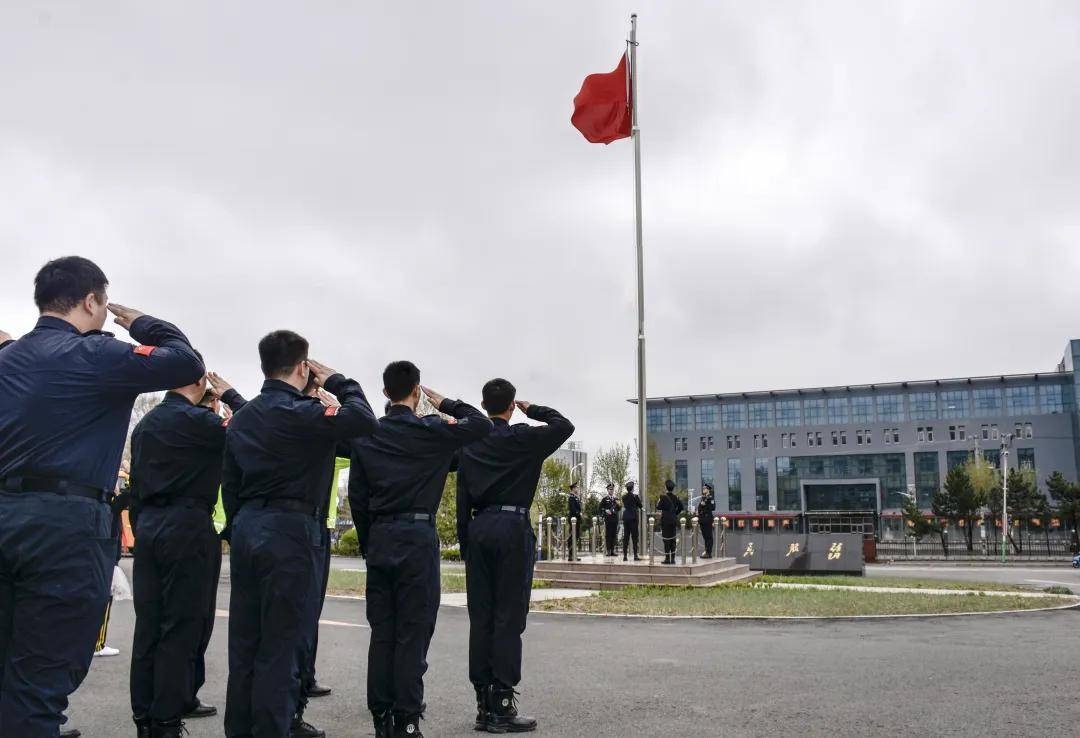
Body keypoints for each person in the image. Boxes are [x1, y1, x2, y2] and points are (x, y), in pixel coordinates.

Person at [0, 256, 204, 737]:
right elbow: (186, 363)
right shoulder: (96, 355)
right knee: (44, 671)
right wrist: (144, 324)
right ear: (92, 301)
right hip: (63, 530)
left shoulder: (8, 360)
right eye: (103, 302)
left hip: (6, 515)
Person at [222, 331, 379, 738]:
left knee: (245, 641)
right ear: (304, 367)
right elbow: (363, 419)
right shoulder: (304, 413)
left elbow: (231, 482)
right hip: (291, 532)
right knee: (283, 643)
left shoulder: (244, 417)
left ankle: (240, 729)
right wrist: (338, 382)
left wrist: (241, 524)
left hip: (249, 526)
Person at [348, 362, 491, 738]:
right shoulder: (432, 432)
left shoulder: (368, 435)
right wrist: (443, 402)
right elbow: (480, 424)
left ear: (384, 394)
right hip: (417, 538)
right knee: (413, 634)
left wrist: (368, 542)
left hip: (380, 537)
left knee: (382, 634)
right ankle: (407, 720)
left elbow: (358, 498)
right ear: (417, 391)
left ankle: (381, 719)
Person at [128, 367, 246, 737]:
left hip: (148, 524)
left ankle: (145, 717)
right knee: (181, 626)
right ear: (199, 383)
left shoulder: (145, 426)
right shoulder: (203, 424)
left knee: (148, 626)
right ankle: (167, 718)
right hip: (188, 524)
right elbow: (257, 426)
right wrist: (227, 396)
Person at [456, 378, 573, 733]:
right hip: (512, 527)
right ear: (510, 405)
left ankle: (482, 702)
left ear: (482, 403)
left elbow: (462, 494)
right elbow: (563, 425)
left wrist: (465, 542)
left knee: (482, 617)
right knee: (509, 617)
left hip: (479, 528)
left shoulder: (470, 441)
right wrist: (531, 408)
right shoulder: (524, 438)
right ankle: (502, 705)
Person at [186, 373, 247, 722]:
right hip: (202, 526)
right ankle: (184, 696)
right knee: (195, 619)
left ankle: (154, 713)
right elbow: (257, 424)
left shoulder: (150, 424)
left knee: (159, 624)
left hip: (161, 525)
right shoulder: (213, 429)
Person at [656, 479, 684, 564]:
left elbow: (658, 507)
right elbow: (681, 507)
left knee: (666, 539)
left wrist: (658, 501)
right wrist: (675, 513)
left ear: (666, 487)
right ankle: (673, 559)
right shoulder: (676, 497)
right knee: (673, 539)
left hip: (665, 521)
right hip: (673, 520)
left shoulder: (663, 497)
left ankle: (667, 559)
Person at [621, 481, 642, 561]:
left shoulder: (624, 497)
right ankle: (635, 555)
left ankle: (625, 556)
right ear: (632, 488)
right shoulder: (635, 496)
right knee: (634, 537)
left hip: (626, 518)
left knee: (626, 537)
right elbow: (640, 505)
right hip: (633, 518)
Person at [599, 483, 620, 556]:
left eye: (612, 489)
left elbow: (619, 508)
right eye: (610, 489)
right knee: (608, 535)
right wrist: (605, 511)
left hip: (614, 519)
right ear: (607, 490)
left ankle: (612, 550)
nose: (611, 490)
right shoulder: (605, 499)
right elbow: (600, 508)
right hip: (608, 519)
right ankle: (608, 550)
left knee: (614, 535)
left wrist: (619, 504)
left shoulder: (616, 499)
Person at [697, 483, 716, 559]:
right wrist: (702, 505)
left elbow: (713, 507)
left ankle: (709, 553)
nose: (703, 489)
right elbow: (699, 507)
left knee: (709, 537)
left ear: (708, 490)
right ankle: (706, 552)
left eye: (704, 488)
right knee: (705, 537)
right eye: (703, 488)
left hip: (707, 519)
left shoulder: (710, 498)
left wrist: (705, 504)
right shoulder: (703, 498)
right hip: (702, 520)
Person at [566, 481, 582, 558]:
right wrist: (579, 513)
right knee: (572, 537)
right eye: (576, 487)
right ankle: (571, 555)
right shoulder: (571, 497)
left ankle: (573, 554)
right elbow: (572, 509)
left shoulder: (575, 497)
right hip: (573, 519)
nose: (577, 489)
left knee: (576, 537)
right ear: (573, 489)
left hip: (576, 519)